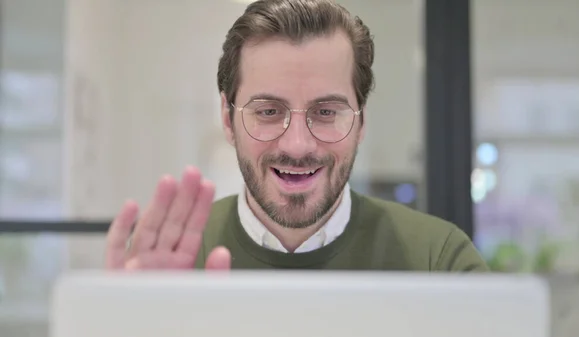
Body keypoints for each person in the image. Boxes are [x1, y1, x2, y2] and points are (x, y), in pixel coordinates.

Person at [105, 0, 489, 272]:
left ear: (361, 123)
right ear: (227, 118)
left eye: (325, 113)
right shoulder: (165, 265)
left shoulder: (438, 261)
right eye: (269, 112)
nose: (297, 145)